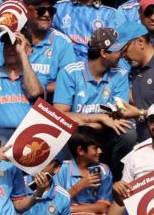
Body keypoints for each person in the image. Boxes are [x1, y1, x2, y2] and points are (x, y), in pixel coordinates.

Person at [53, 27, 138, 174]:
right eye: (118, 50)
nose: (122, 54)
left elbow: (119, 114)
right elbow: (59, 116)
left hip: (104, 132)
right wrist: (97, 117)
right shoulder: (70, 72)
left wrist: (86, 122)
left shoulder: (120, 74)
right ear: (104, 53)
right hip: (75, 135)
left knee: (128, 131)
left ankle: (117, 178)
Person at [0, 31, 44, 139]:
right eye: (7, 45)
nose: (10, 49)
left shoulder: (36, 76)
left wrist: (22, 53)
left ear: (28, 49)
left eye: (17, 44)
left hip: (29, 138)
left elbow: (34, 92)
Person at [51, 0, 121, 61]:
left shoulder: (110, 14)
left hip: (96, 68)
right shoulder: (58, 8)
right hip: (63, 66)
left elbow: (115, 48)